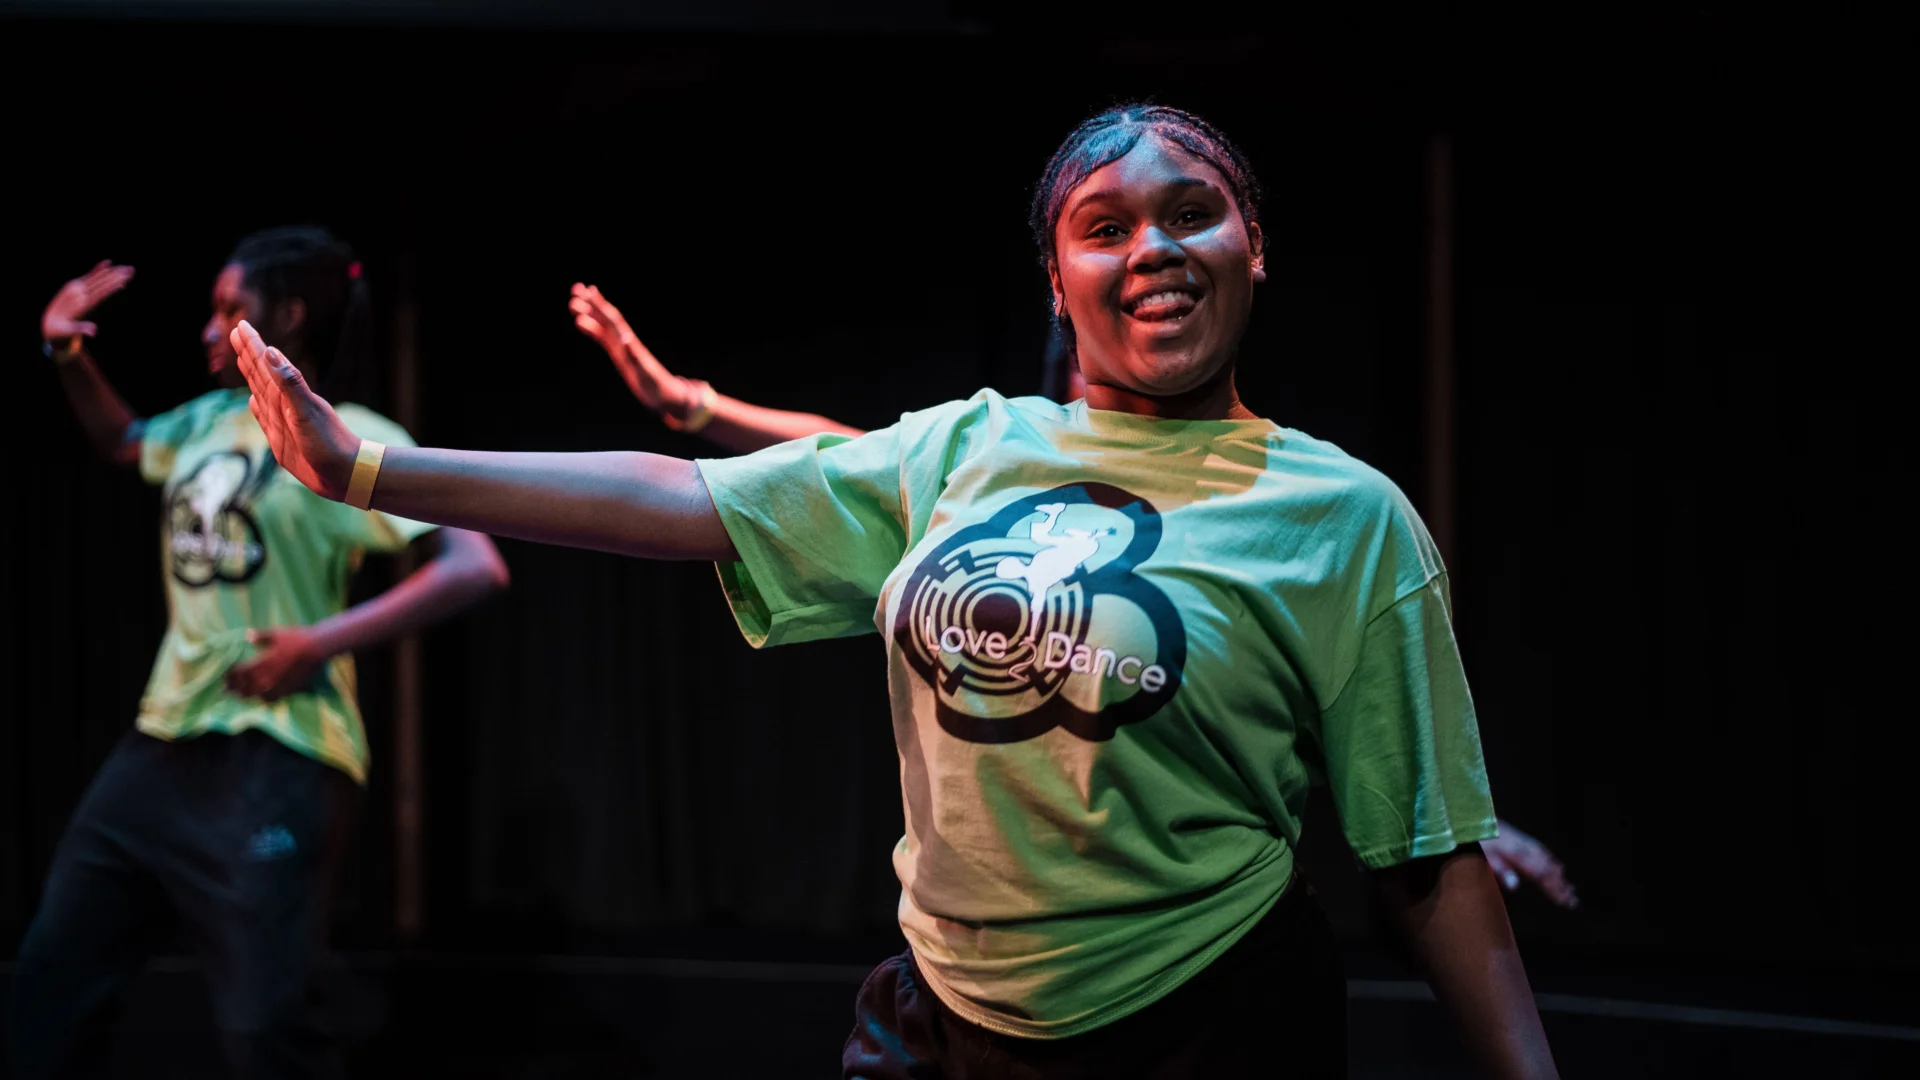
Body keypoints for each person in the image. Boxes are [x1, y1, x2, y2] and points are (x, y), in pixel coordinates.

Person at [231, 105, 1559, 1077]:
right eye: (1105, 227)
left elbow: (1431, 863)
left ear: (1253, 248)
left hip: (1205, 1020)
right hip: (955, 1014)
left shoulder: (1343, 515)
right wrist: (365, 469)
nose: (1151, 247)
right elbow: (679, 498)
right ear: (1057, 279)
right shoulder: (964, 446)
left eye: (1192, 212)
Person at [566, 284, 1581, 911]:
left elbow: (1369, 720)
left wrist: (1465, 837)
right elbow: (833, 457)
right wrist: (687, 406)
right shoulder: (981, 472)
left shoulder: (1283, 514)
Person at [13, 228, 510, 1080]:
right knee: (47, 994)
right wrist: (63, 349)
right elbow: (123, 441)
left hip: (282, 753)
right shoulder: (201, 422)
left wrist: (321, 641)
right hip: (162, 742)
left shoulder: (348, 433)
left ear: (287, 314)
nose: (209, 328)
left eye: (228, 309)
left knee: (265, 1034)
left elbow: (476, 565)